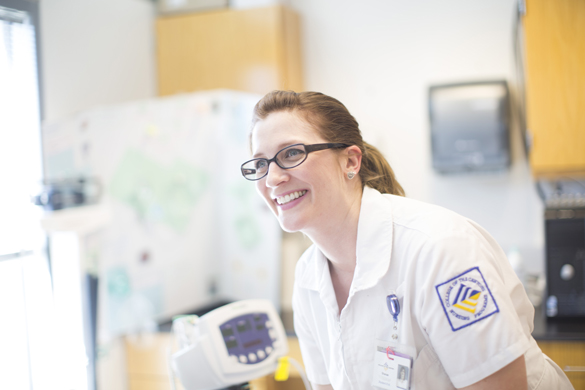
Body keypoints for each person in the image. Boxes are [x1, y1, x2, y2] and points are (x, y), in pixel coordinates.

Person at [240, 90, 573, 390]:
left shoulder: (439, 250)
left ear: (350, 161)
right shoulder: (308, 278)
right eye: (260, 163)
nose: (273, 178)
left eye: (291, 154)